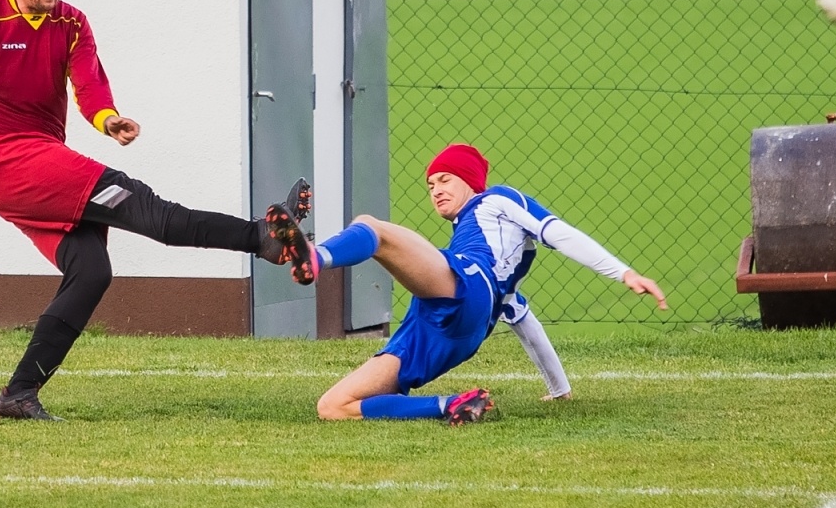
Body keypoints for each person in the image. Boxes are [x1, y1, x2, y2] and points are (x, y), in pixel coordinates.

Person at [0, 0, 308, 421]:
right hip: (3, 162)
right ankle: (260, 239)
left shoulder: (73, 23)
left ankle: (17, 395)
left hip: (43, 160)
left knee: (93, 272)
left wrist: (109, 120)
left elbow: (89, 85)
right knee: (141, 203)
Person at [267, 143, 665, 425]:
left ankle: (315, 258)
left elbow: (558, 232)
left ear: (470, 181)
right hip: (446, 331)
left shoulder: (494, 202)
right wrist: (559, 390)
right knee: (334, 406)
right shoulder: (500, 275)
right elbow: (525, 321)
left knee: (372, 228)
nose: (436, 189)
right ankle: (452, 405)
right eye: (430, 185)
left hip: (466, 289)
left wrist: (623, 272)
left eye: (445, 179)